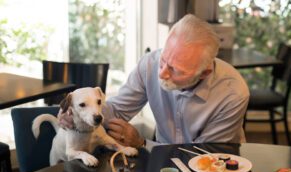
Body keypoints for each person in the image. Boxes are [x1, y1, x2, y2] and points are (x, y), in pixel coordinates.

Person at [58, 14, 249, 150]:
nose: (162, 73)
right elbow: (117, 111)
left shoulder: (233, 94)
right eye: (164, 59)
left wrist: (142, 144)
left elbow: (202, 157)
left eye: (176, 70)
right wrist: (78, 115)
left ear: (204, 72)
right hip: (160, 156)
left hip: (215, 166)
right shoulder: (150, 64)